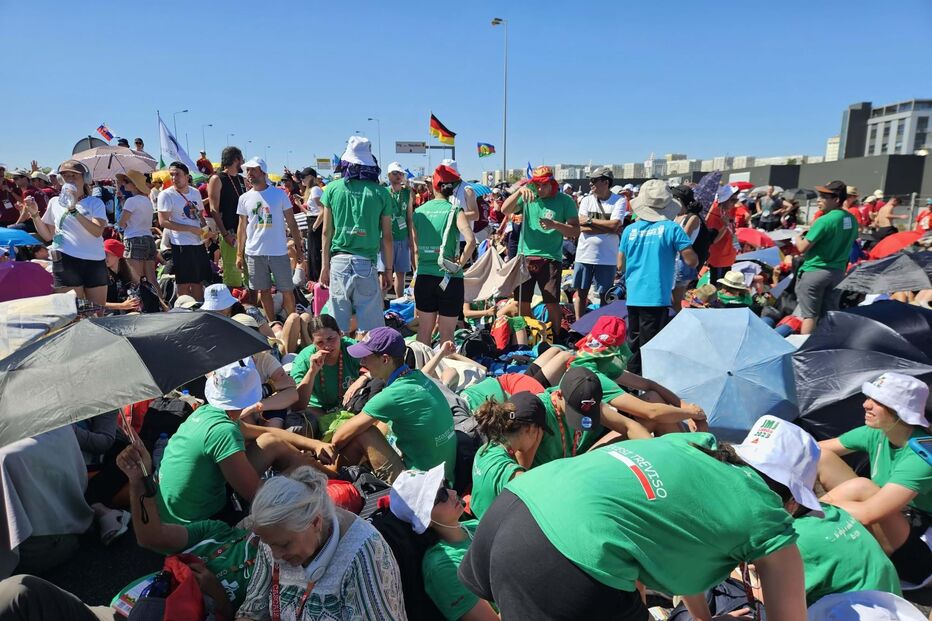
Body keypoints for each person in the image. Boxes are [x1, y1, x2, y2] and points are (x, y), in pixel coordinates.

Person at [459, 422, 814, 621]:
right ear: (794, 502)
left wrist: (704, 620)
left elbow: (664, 546)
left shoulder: (696, 446)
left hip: (517, 504)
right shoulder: (768, 518)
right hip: (568, 553)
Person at [156, 363, 330, 524]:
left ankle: (328, 474)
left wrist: (314, 444)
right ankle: (330, 479)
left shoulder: (207, 412)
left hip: (170, 515)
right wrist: (296, 472)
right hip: (198, 523)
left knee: (271, 442)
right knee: (299, 470)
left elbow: (268, 433)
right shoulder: (223, 432)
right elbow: (256, 494)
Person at [235, 467, 406, 620]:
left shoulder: (364, 552)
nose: (275, 555)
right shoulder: (275, 536)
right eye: (269, 544)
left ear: (316, 523)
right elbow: (251, 611)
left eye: (285, 545)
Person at [817, 372, 932, 586]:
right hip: (901, 522)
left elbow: (869, 513)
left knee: (862, 487)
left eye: (878, 401)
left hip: (922, 555)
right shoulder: (879, 433)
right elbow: (813, 451)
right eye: (869, 397)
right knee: (822, 458)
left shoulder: (921, 455)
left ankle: (799, 533)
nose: (865, 405)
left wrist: (810, 505)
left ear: (900, 412)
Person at [331, 327, 457, 484]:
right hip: (444, 477)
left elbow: (337, 439)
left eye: (366, 357)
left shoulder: (391, 395)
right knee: (379, 421)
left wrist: (325, 450)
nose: (362, 362)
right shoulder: (417, 377)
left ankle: (332, 479)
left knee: (363, 433)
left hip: (422, 485)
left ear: (385, 359)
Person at [390, 465, 498, 621]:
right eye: (441, 496)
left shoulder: (471, 526)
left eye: (446, 485)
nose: (453, 493)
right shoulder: (441, 567)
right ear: (425, 520)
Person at [618, 179, 697, 374]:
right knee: (652, 344)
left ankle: (632, 385)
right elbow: (691, 260)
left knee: (633, 342)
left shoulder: (630, 230)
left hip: (634, 294)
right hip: (656, 296)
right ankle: (648, 386)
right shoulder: (672, 228)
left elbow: (620, 264)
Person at [319, 136, 393, 333]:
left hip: (339, 261)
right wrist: (387, 270)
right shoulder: (381, 192)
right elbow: (387, 236)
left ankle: (340, 362)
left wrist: (324, 266)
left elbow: (326, 231)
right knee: (370, 330)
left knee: (337, 329)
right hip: (366, 263)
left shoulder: (333, 189)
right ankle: (366, 363)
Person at [499, 166, 579, 339]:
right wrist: (520, 191)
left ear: (552, 184)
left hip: (550, 258)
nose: (539, 189)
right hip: (525, 257)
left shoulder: (565, 201)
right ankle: (533, 334)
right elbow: (504, 210)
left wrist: (555, 225)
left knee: (552, 302)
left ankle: (556, 337)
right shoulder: (529, 196)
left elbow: (575, 231)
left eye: (543, 185)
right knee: (522, 303)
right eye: (536, 185)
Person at [25, 159, 108, 306]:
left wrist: (74, 210)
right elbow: (47, 236)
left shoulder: (95, 203)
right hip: (66, 259)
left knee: (97, 312)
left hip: (95, 260)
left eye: (74, 175)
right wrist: (34, 215)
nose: (69, 179)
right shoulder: (54, 202)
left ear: (85, 178)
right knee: (73, 312)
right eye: (65, 176)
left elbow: (97, 231)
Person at [412, 164, 477, 346]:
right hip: (450, 276)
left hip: (424, 276)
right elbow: (471, 241)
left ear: (433, 186)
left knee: (424, 332)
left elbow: (415, 248)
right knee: (447, 335)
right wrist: (460, 263)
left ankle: (420, 371)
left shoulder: (418, 212)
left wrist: (420, 269)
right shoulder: (455, 210)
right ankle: (446, 372)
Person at [235, 157, 303, 321]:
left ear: (263, 172)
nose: (249, 174)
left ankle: (292, 322)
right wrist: (239, 253)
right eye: (248, 170)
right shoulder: (244, 198)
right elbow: (242, 227)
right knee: (263, 291)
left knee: (287, 290)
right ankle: (273, 324)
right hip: (254, 252)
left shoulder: (279, 194)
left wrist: (299, 249)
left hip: (278, 251)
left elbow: (292, 223)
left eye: (253, 170)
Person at [470, 393, 549, 520]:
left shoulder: (484, 449)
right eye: (540, 433)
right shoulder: (512, 474)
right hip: (489, 533)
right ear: (530, 429)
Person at [794, 180, 858, 335]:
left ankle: (803, 352)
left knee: (809, 316)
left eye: (824, 196)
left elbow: (802, 248)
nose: (819, 199)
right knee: (828, 316)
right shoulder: (851, 219)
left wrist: (797, 237)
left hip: (815, 272)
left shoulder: (823, 220)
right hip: (837, 274)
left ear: (836, 199)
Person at [571, 166, 625, 319]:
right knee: (581, 293)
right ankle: (578, 325)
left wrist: (590, 221)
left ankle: (602, 328)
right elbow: (581, 226)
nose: (590, 184)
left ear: (605, 182)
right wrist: (608, 227)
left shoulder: (619, 201)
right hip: (584, 255)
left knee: (604, 296)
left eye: (594, 180)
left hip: (607, 258)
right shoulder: (587, 200)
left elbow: (615, 224)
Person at [157, 161, 212, 301]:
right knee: (183, 283)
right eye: (172, 175)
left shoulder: (195, 192)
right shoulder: (166, 195)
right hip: (181, 244)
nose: (174, 178)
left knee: (198, 281)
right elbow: (163, 221)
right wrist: (189, 228)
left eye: (177, 174)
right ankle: (185, 310)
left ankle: (198, 309)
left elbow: (199, 215)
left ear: (187, 176)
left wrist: (206, 233)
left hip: (198, 243)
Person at [290, 314, 362, 418]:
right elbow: (297, 406)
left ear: (340, 334)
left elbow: (381, 368)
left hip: (350, 404)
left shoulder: (351, 348)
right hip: (316, 410)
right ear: (312, 343)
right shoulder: (304, 360)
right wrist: (312, 371)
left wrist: (363, 378)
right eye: (320, 342)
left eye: (331, 338)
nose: (327, 346)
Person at [208, 146, 248, 289]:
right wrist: (225, 234)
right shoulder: (217, 179)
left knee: (249, 273)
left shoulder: (242, 180)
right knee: (233, 274)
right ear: (236, 159)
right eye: (242, 158)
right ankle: (231, 308)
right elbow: (214, 209)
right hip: (230, 232)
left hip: (245, 232)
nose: (243, 162)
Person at [115, 169, 157, 285]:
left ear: (134, 184)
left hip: (134, 240)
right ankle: (161, 302)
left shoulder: (131, 201)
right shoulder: (147, 201)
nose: (124, 183)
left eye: (126, 181)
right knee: (152, 279)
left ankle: (139, 303)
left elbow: (121, 223)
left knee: (135, 280)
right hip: (149, 239)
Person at [381, 162, 414, 299]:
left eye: (400, 173)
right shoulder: (384, 192)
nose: (398, 176)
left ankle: (399, 301)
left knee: (401, 273)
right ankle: (381, 304)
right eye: (395, 173)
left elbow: (409, 217)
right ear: (388, 175)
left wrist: (412, 240)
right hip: (386, 238)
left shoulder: (408, 193)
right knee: (384, 272)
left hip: (402, 237)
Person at [704, 184, 740, 283]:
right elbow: (713, 240)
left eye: (736, 200)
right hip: (719, 260)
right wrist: (725, 226)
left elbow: (732, 232)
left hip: (728, 258)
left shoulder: (726, 211)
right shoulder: (715, 214)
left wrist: (737, 247)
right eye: (733, 200)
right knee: (718, 288)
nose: (735, 203)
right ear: (724, 200)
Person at [299, 167, 324, 282]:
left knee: (315, 255)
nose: (302, 179)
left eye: (304, 176)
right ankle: (314, 283)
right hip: (312, 221)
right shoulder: (311, 190)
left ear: (312, 177)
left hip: (316, 223)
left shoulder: (315, 190)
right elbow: (310, 212)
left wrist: (314, 227)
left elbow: (323, 211)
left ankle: (317, 283)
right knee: (312, 255)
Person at [102, 239, 140, 313]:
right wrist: (122, 305)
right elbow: (97, 304)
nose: (103, 257)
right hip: (108, 315)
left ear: (117, 256)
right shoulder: (101, 275)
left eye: (106, 254)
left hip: (123, 312)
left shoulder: (126, 273)